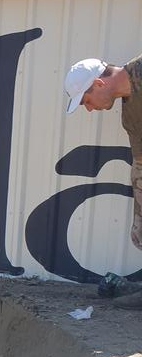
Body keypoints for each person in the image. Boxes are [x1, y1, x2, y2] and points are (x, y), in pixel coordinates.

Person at [64, 54, 142, 250]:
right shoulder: (131, 119)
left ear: (98, 83)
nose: (89, 109)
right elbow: (140, 165)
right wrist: (139, 217)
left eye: (86, 101)